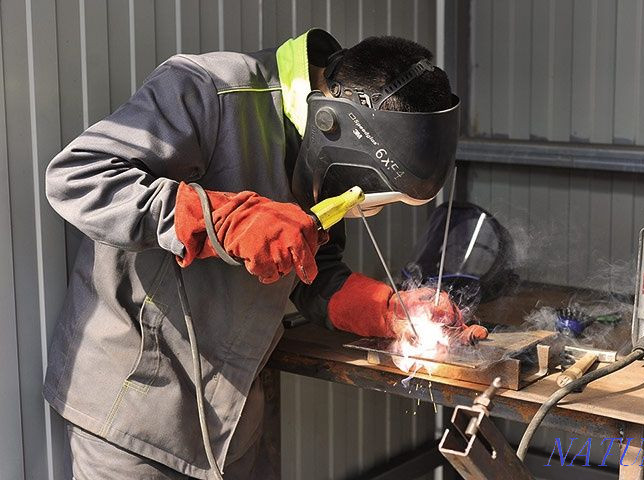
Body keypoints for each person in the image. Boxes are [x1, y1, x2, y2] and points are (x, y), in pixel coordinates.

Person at [44, 29, 488, 479]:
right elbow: (77, 178)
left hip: (232, 420)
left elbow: (313, 267)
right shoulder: (209, 89)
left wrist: (388, 311)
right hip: (135, 418)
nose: (366, 207)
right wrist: (223, 219)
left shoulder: (324, 156)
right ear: (336, 124)